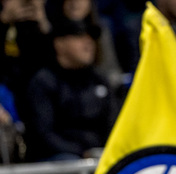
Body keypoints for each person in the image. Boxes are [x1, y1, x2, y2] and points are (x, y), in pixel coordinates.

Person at [25, 20, 115, 161]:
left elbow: (112, 125)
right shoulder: (43, 81)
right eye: (79, 37)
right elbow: (43, 134)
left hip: (98, 156)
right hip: (57, 159)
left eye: (90, 37)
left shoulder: (100, 80)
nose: (88, 43)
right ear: (59, 44)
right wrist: (81, 153)